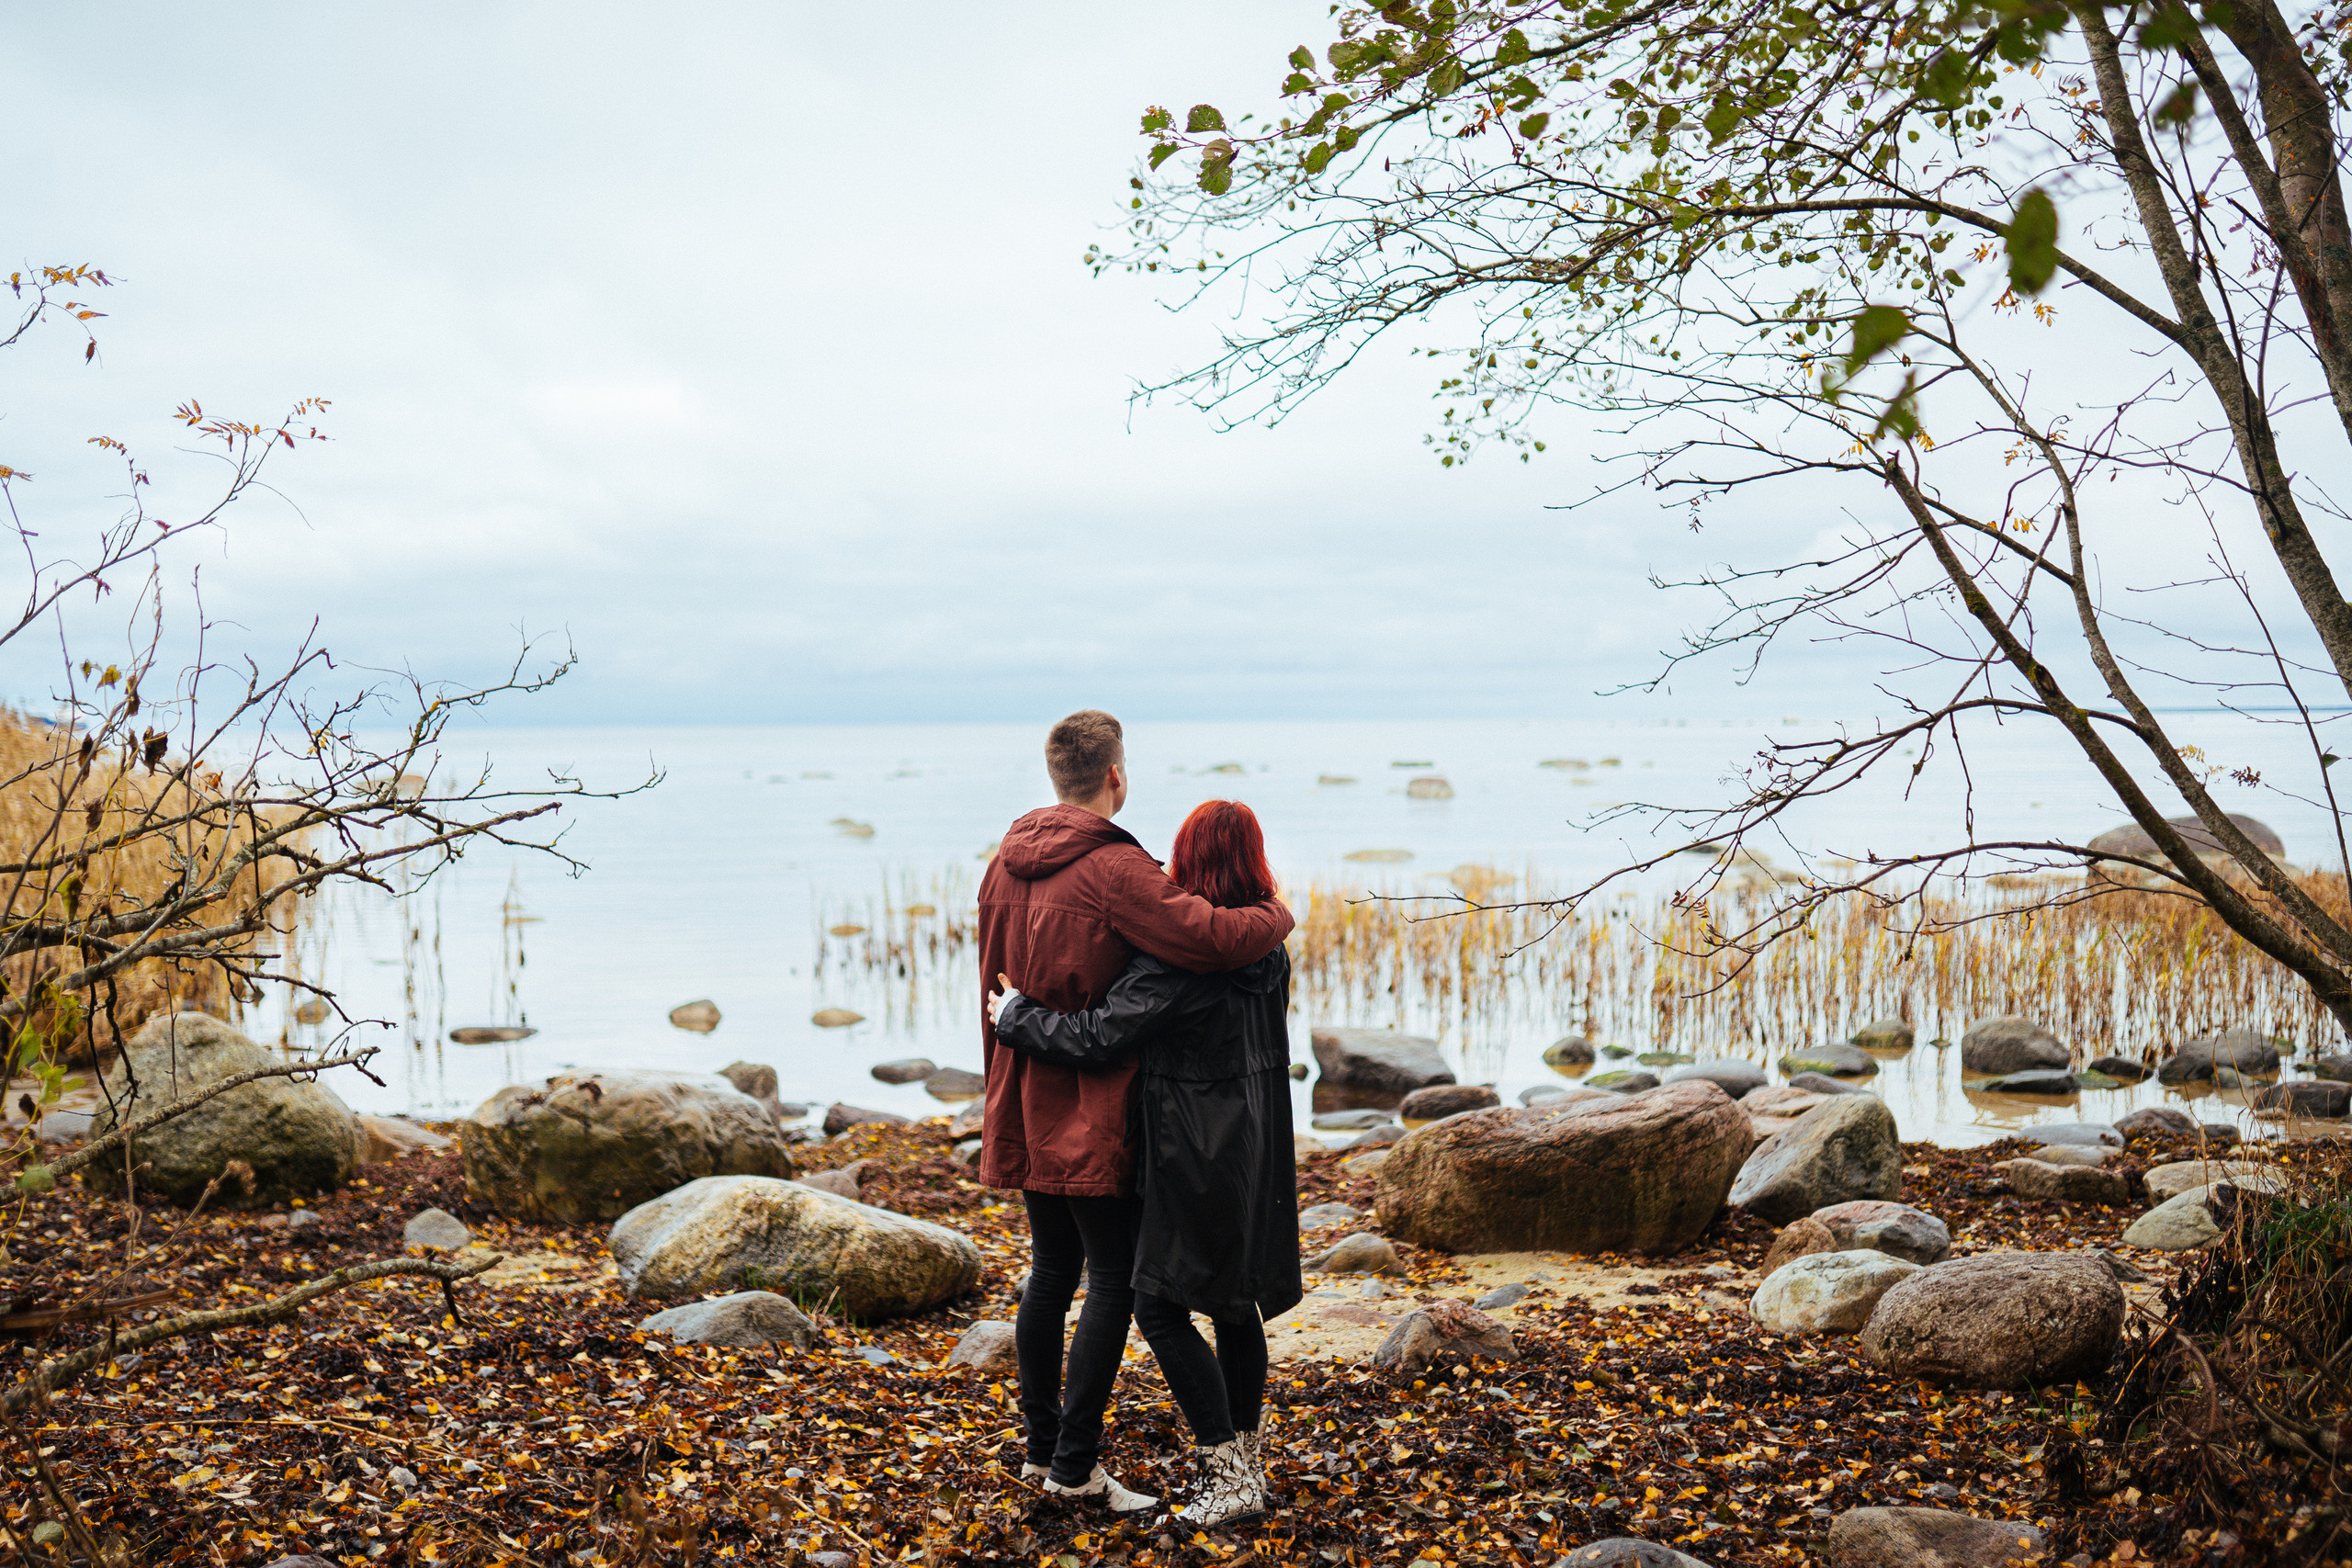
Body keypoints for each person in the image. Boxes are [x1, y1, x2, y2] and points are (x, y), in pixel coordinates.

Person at [977, 711, 1295, 1513]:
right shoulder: (1117, 870)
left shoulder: (1000, 867)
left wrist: (1009, 1043)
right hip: (1094, 1108)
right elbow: (1217, 939)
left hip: (1022, 1093)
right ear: (1116, 776)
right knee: (1117, 1281)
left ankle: (1043, 1451)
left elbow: (993, 989)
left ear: (1057, 777)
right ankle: (1076, 1465)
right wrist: (1280, 912)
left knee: (1051, 1272)